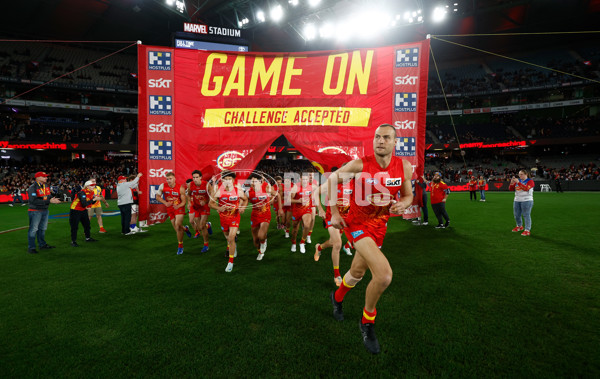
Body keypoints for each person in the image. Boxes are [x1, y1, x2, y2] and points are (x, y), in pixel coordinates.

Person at [327, 124, 413, 354]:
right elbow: (332, 181)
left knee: (357, 272)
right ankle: (367, 321)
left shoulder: (403, 167)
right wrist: (335, 212)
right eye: (377, 137)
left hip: (379, 227)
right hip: (356, 225)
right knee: (383, 276)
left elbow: (408, 194)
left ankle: (336, 298)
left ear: (395, 143)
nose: (380, 141)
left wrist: (404, 203)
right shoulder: (359, 165)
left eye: (386, 137)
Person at [315, 166, 354, 286]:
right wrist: (320, 209)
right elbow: (316, 193)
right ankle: (337, 275)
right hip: (331, 217)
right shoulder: (332, 183)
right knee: (337, 243)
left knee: (333, 242)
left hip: (346, 218)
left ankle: (319, 247)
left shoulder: (354, 183)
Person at [209, 170, 248, 272]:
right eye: (225, 179)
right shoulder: (219, 191)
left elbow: (245, 199)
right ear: (222, 180)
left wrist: (242, 207)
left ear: (233, 180)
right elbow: (211, 204)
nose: (227, 181)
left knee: (231, 238)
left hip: (235, 217)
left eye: (230, 179)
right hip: (223, 218)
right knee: (227, 237)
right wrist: (219, 208)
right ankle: (232, 246)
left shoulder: (237, 190)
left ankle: (230, 262)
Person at [155, 171, 191, 254]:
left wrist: (178, 206)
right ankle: (185, 229)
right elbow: (157, 197)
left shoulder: (180, 188)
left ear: (174, 179)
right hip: (170, 209)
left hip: (179, 208)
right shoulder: (163, 186)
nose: (169, 180)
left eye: (170, 178)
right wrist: (165, 203)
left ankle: (180, 246)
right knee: (176, 228)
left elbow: (183, 202)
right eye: (167, 179)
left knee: (178, 225)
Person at [27, 171, 61, 254]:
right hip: (35, 211)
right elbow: (33, 201)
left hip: (44, 210)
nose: (46, 178)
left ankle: (42, 245)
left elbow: (48, 196)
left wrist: (52, 198)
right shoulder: (33, 187)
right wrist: (49, 201)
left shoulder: (45, 185)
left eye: (46, 176)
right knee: (33, 229)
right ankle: (31, 248)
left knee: (42, 229)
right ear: (38, 178)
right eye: (44, 176)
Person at [247, 173, 277, 260]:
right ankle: (260, 251)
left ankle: (264, 241)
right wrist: (241, 205)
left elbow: (276, 194)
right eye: (252, 181)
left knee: (261, 235)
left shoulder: (266, 187)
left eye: (255, 181)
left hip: (265, 214)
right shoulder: (248, 192)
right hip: (255, 216)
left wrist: (272, 201)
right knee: (255, 240)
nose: (253, 182)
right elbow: (246, 200)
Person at [290, 172, 317, 254]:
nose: (305, 181)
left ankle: (302, 242)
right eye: (303, 179)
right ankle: (293, 243)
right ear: (300, 179)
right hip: (296, 210)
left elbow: (318, 192)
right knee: (295, 229)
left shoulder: (312, 186)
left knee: (307, 225)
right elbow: (289, 199)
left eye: (306, 179)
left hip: (306, 210)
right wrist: (298, 200)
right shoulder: (295, 187)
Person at [187, 170, 213, 253]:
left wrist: (205, 201)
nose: (195, 179)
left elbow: (212, 195)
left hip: (204, 207)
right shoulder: (191, 185)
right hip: (196, 207)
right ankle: (208, 226)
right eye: (193, 177)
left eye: (197, 177)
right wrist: (188, 203)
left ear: (201, 177)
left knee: (202, 226)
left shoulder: (206, 184)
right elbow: (188, 194)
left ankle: (206, 245)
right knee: (199, 227)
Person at [70, 180, 102, 246]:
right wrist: (94, 199)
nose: (93, 186)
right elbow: (84, 203)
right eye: (92, 185)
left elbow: (90, 202)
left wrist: (95, 200)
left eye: (94, 185)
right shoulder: (82, 192)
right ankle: (73, 241)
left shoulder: (91, 192)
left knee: (87, 224)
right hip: (75, 210)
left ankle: (88, 238)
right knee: (74, 226)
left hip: (83, 210)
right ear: (87, 186)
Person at [509, 169, 534, 236]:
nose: (520, 176)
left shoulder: (530, 181)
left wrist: (518, 182)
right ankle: (519, 226)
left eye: (521, 174)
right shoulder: (518, 181)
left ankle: (527, 229)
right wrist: (511, 183)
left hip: (527, 200)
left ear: (526, 174)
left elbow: (525, 188)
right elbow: (511, 189)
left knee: (526, 215)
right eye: (519, 174)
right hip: (517, 200)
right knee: (516, 215)